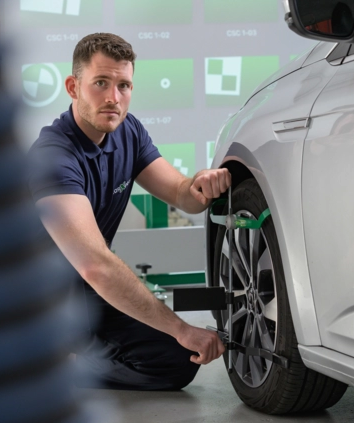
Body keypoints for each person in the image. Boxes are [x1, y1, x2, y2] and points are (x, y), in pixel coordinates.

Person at [26, 32, 229, 390]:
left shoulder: (128, 132)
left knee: (178, 360)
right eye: (100, 83)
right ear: (73, 87)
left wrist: (201, 183)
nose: (113, 98)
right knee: (178, 336)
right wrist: (181, 327)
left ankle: (65, 365)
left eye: (123, 86)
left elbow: (181, 193)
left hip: (88, 293)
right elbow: (96, 266)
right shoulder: (53, 158)